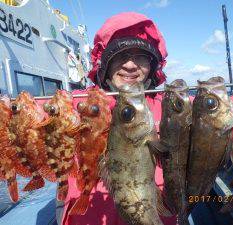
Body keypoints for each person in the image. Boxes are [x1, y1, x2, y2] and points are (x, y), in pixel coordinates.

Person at [58, 12, 178, 225]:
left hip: (153, 212)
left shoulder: (171, 106)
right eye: (121, 55)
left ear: (153, 65)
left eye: (141, 56)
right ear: (104, 64)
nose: (131, 65)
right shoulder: (76, 104)